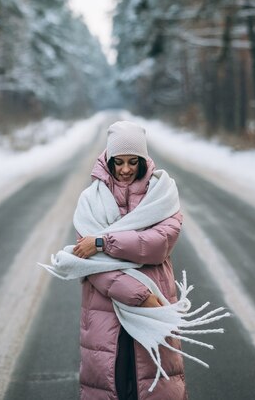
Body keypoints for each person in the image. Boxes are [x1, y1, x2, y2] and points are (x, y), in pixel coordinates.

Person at [72, 120, 187, 400]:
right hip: (106, 311)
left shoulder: (162, 195)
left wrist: (102, 242)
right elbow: (91, 266)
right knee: (112, 385)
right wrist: (139, 295)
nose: (125, 170)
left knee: (155, 385)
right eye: (118, 162)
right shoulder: (90, 201)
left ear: (142, 160)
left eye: (132, 161)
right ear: (108, 160)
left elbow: (157, 245)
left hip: (153, 307)